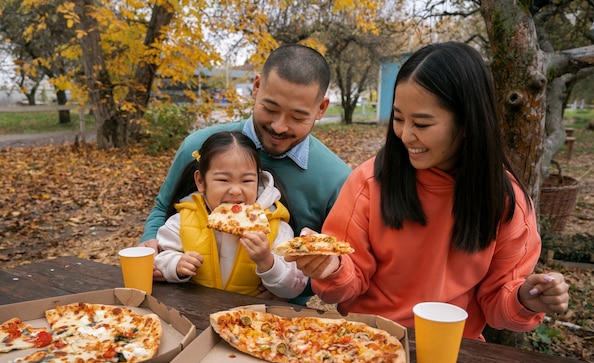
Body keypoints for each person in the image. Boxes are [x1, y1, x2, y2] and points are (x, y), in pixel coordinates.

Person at [289, 42, 569, 341]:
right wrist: (331, 267)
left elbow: (499, 305)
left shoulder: (504, 200)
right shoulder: (370, 182)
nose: (406, 135)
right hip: (367, 342)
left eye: (421, 123)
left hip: (452, 349)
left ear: (466, 122)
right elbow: (346, 284)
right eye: (398, 118)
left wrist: (524, 300)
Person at [140, 44, 352, 304]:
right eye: (270, 109)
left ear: (321, 109)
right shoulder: (199, 147)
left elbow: (335, 261)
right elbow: (164, 208)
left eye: (297, 117)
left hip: (275, 314)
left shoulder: (336, 179)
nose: (279, 126)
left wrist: (287, 282)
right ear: (256, 86)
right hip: (189, 302)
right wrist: (153, 247)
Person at [154, 131, 308, 299]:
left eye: (247, 181)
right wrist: (175, 264)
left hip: (251, 317)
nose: (235, 190)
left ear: (258, 180)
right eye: (223, 180)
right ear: (200, 181)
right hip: (195, 313)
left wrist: (266, 261)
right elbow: (158, 259)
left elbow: (293, 288)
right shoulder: (182, 220)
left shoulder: (276, 226)